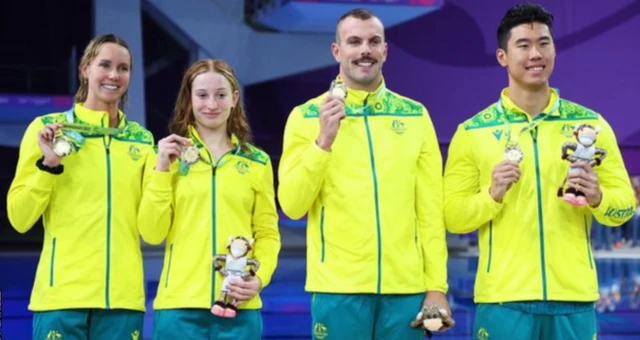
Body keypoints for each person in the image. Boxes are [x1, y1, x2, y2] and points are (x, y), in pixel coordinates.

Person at [443, 3, 636, 339]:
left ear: (555, 50)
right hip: (504, 302)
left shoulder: (590, 126)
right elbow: (453, 217)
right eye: (524, 45)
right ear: (502, 56)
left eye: (544, 43)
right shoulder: (472, 132)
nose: (536, 53)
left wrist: (598, 196)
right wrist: (491, 195)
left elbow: (623, 209)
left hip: (573, 300)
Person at [278, 8, 450, 339]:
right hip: (338, 290)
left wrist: (436, 287)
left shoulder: (415, 116)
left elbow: (429, 212)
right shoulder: (305, 116)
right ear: (337, 50)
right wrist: (323, 141)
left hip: (407, 290)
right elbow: (292, 205)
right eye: (354, 41)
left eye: (373, 41)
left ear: (385, 50)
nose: (364, 50)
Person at [6, 34, 154, 339]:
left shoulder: (141, 140)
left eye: (123, 68)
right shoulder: (47, 129)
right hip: (62, 297)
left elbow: (151, 222)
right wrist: (49, 166)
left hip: (123, 301)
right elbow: (19, 219)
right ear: (85, 69)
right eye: (105, 65)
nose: (114, 75)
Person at [137, 59, 280, 340]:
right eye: (202, 95)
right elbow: (151, 233)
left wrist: (259, 280)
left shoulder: (257, 161)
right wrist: (162, 169)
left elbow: (267, 234)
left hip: (239, 306)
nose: (211, 104)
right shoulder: (165, 157)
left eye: (221, 94)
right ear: (189, 100)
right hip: (178, 309)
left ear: (234, 99)